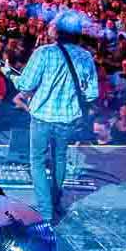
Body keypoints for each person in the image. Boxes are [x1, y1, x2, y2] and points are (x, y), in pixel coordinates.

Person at [13, 12, 98, 225]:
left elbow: (25, 85)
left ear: (58, 31)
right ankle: (55, 202)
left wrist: (11, 74)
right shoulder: (86, 56)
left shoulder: (44, 53)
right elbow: (92, 94)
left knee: (38, 162)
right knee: (60, 159)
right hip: (68, 120)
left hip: (42, 117)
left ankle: (46, 212)